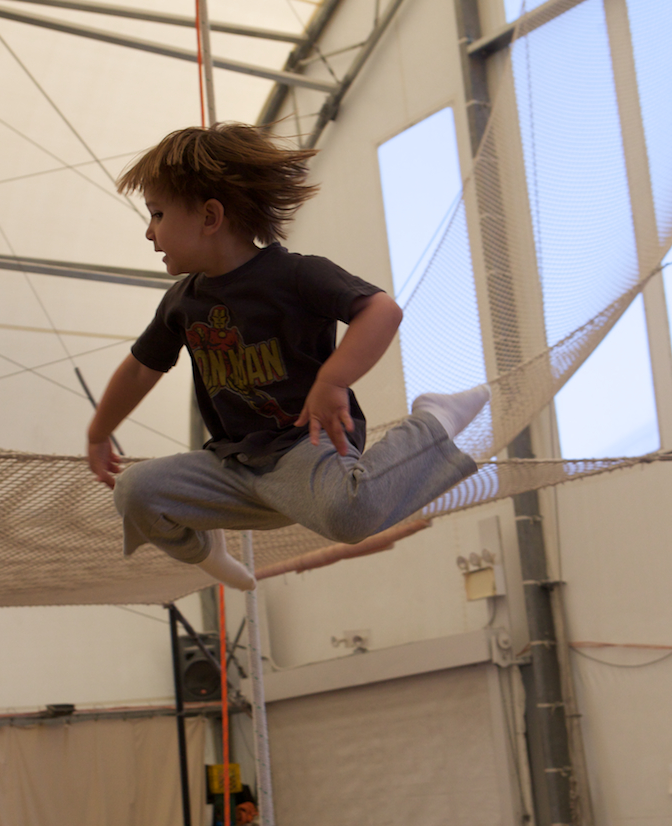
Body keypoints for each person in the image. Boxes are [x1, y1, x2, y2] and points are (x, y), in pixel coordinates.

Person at [86, 124, 489, 590]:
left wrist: (333, 380)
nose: (149, 232)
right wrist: (99, 432)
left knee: (350, 514)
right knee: (135, 492)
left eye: (157, 214)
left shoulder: (295, 275)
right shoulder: (181, 302)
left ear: (210, 216)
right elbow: (140, 370)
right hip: (235, 464)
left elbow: (382, 311)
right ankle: (207, 552)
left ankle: (434, 421)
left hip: (303, 450)